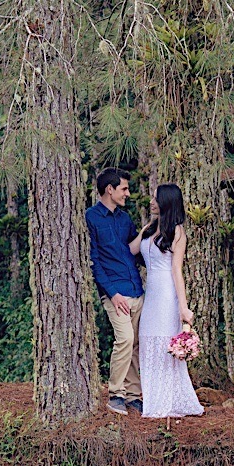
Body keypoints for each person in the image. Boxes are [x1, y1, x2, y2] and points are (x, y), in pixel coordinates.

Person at [138, 184, 204, 419]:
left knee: (164, 342)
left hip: (167, 294)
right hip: (151, 294)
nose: (152, 202)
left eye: (156, 198)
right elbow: (132, 249)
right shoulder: (149, 228)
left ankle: (166, 401)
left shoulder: (177, 232)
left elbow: (177, 270)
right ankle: (153, 399)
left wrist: (183, 308)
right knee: (147, 340)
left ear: (166, 202)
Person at [87, 168, 144, 415]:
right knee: (125, 339)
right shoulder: (90, 218)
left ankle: (132, 395)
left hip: (135, 290)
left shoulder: (125, 219)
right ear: (109, 189)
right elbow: (94, 261)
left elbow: (135, 252)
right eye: (124, 189)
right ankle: (115, 394)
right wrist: (112, 293)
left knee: (135, 344)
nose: (127, 194)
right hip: (115, 293)